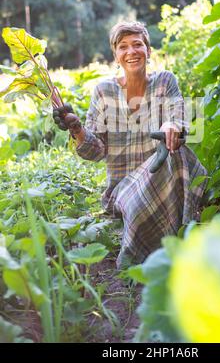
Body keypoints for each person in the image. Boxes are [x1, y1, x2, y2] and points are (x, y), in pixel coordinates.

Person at [54, 21, 208, 269]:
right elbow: (96, 151)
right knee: (139, 206)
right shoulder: (104, 91)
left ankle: (185, 239)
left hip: (162, 178)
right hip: (124, 190)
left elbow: (178, 114)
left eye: (137, 44)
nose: (131, 51)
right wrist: (77, 128)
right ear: (115, 55)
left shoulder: (165, 81)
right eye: (123, 46)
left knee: (175, 152)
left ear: (148, 50)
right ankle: (137, 257)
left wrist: (173, 126)